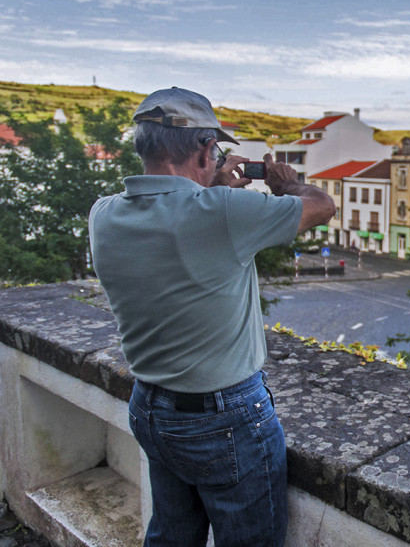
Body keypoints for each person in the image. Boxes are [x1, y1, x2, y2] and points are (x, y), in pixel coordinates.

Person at [88, 87, 335, 546]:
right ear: (205, 149)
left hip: (150, 408)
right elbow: (322, 206)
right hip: (225, 419)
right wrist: (287, 184)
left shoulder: (103, 214)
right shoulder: (221, 213)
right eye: (215, 149)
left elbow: (177, 224)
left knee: (170, 535)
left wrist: (213, 188)